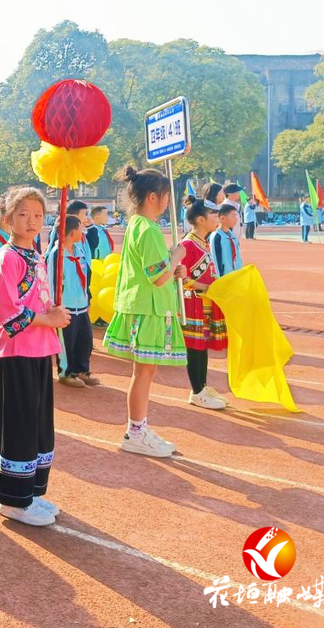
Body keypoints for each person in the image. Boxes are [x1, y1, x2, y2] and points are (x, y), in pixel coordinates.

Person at [0, 187, 70, 527]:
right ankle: (13, 500)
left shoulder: (36, 255)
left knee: (36, 425)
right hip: (15, 352)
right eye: (24, 215)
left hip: (39, 350)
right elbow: (8, 312)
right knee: (18, 426)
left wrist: (53, 311)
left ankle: (29, 491)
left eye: (38, 215)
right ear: (8, 220)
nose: (32, 221)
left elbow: (39, 299)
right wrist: (48, 319)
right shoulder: (7, 257)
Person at [102, 167, 187, 458]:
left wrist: (172, 265)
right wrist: (176, 255)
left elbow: (157, 270)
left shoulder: (138, 224)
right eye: (165, 197)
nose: (167, 203)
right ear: (154, 197)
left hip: (144, 306)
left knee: (145, 372)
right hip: (147, 308)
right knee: (144, 372)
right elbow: (157, 276)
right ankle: (136, 431)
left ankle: (138, 428)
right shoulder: (147, 229)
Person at [179, 197, 228, 410]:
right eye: (214, 216)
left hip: (204, 303)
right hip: (193, 304)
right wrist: (205, 287)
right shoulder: (188, 244)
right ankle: (196, 390)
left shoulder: (204, 242)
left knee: (202, 348)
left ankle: (202, 387)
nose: (217, 218)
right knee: (195, 348)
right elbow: (181, 278)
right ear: (200, 220)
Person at [46, 216, 98, 388]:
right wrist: (56, 306)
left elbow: (86, 276)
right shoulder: (56, 255)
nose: (82, 232)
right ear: (72, 232)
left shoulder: (79, 251)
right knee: (66, 342)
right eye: (80, 228)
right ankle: (66, 372)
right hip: (66, 307)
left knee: (85, 340)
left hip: (81, 305)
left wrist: (87, 297)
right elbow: (53, 281)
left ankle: (82, 369)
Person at [210, 203, 242, 277]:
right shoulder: (217, 236)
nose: (236, 219)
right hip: (224, 278)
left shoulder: (232, 236)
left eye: (236, 216)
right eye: (233, 216)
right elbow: (215, 260)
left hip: (236, 276)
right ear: (222, 218)